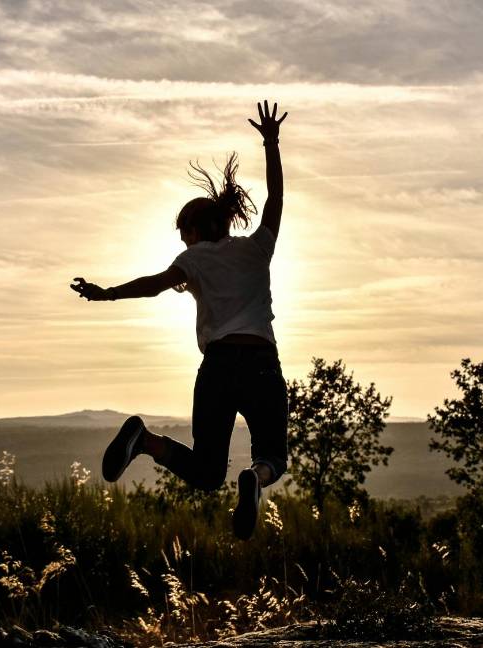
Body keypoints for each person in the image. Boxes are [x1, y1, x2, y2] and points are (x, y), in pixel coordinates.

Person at [70, 100, 288, 540]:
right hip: (262, 363)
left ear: (195, 229)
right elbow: (276, 198)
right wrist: (271, 144)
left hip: (219, 367)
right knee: (272, 456)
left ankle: (145, 439)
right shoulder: (256, 248)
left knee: (207, 473)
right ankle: (255, 480)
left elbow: (153, 284)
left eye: (183, 230)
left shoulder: (194, 259)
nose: (181, 238)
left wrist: (105, 293)